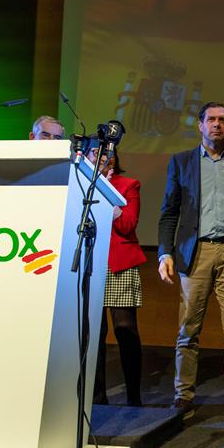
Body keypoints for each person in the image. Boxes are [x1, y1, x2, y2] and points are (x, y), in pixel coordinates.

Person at [157, 102, 224, 427]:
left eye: (223, 120)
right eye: (211, 119)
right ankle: (183, 396)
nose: (217, 124)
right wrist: (165, 253)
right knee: (188, 331)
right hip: (195, 253)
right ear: (200, 125)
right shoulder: (181, 161)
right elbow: (169, 211)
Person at [88, 141, 147, 407]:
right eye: (98, 153)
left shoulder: (128, 185)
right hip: (90, 262)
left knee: (125, 330)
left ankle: (134, 396)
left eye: (110, 154)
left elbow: (127, 224)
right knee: (93, 334)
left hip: (119, 263)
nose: (105, 157)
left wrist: (106, 191)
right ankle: (97, 397)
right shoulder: (80, 184)